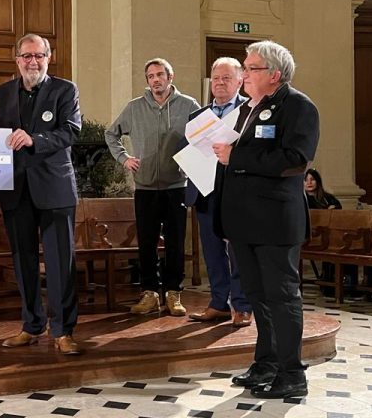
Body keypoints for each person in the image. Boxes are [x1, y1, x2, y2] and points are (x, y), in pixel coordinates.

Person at [212, 40, 319, 399]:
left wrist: (235, 158)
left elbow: (296, 159)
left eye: (251, 68)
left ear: (274, 74)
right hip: (244, 221)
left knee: (281, 296)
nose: (244, 74)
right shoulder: (247, 109)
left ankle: (292, 373)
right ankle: (267, 363)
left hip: (274, 221)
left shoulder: (299, 107)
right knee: (258, 296)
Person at [0, 33, 82, 355]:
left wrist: (34, 139)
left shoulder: (64, 90)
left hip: (54, 190)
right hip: (15, 191)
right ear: (17, 60)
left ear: (48, 57)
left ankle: (63, 330)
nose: (33, 61)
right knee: (22, 263)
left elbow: (71, 131)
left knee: (59, 264)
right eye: (27, 56)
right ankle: (31, 325)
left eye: (39, 55)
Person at [105, 58, 200, 316]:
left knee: (175, 243)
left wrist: (191, 164)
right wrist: (125, 158)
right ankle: (149, 294)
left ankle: (173, 293)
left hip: (176, 185)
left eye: (160, 74)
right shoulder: (135, 107)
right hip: (145, 187)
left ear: (170, 77)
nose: (155, 80)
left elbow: (203, 138)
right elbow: (111, 134)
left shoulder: (189, 105)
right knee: (146, 242)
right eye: (151, 76)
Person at [186, 57, 252, 328]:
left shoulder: (250, 110)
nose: (220, 83)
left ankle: (242, 305)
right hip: (205, 190)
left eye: (226, 78)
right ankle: (218, 303)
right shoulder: (197, 115)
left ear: (240, 81)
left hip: (236, 192)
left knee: (238, 251)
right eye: (216, 78)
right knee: (212, 251)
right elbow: (188, 147)